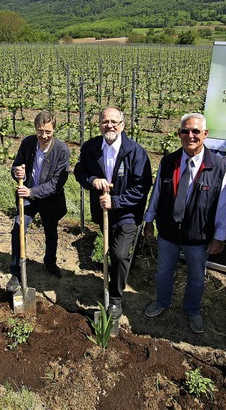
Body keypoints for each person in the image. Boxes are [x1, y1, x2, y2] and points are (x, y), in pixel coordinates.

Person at [143, 113, 226, 334]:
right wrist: (148, 220)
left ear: (205, 134)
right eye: (185, 131)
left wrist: (219, 236)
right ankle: (162, 302)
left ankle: (192, 309)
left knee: (196, 278)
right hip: (168, 232)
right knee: (163, 272)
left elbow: (224, 204)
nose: (190, 136)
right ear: (179, 134)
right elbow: (157, 194)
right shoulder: (168, 161)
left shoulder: (219, 167)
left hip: (198, 236)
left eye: (195, 131)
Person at [74, 107, 152, 323]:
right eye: (105, 121)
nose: (109, 125)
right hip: (103, 212)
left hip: (127, 213)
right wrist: (92, 181)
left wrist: (116, 201)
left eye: (114, 122)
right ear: (99, 124)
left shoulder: (136, 152)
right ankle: (113, 280)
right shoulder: (90, 147)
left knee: (119, 254)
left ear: (123, 125)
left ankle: (116, 300)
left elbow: (141, 187)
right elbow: (79, 171)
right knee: (110, 252)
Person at [5, 111, 70, 292]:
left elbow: (57, 183)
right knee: (18, 228)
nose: (44, 136)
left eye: (48, 132)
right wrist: (17, 172)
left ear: (54, 129)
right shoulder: (28, 143)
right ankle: (16, 272)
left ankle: (50, 263)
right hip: (27, 197)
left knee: (51, 232)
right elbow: (16, 166)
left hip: (49, 199)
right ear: (35, 129)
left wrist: (32, 191)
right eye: (40, 131)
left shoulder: (62, 150)